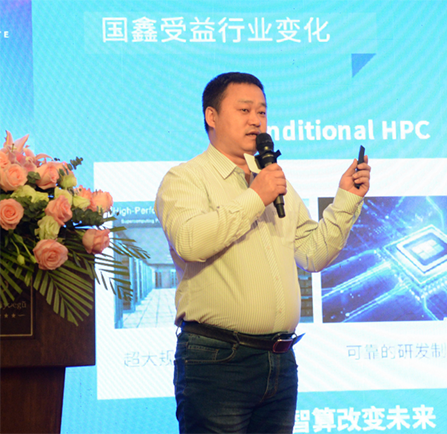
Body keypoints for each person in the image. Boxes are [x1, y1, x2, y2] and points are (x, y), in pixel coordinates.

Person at [154, 72, 371, 434]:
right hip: (218, 360)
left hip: (279, 361)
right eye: (244, 110)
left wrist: (347, 198)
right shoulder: (185, 178)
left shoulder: (272, 179)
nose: (256, 120)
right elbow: (191, 242)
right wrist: (256, 197)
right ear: (211, 116)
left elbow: (313, 254)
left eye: (262, 112)